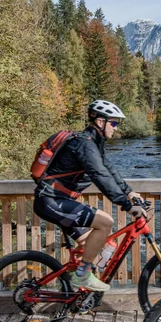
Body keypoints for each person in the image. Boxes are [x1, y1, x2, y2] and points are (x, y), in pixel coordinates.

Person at [33, 100, 146, 292]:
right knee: (105, 222)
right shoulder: (84, 144)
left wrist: (128, 191)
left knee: (91, 243)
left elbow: (107, 169)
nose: (116, 128)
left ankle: (76, 296)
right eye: (114, 123)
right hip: (51, 201)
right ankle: (82, 276)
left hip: (60, 200)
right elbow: (99, 175)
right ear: (100, 122)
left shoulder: (92, 143)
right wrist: (127, 205)